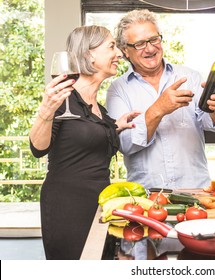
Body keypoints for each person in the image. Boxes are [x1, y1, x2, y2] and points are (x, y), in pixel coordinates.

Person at [29, 25, 140, 260]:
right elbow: (38, 148)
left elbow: (88, 142)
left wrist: (114, 127)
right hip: (68, 207)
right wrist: (46, 112)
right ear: (89, 54)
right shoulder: (62, 98)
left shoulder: (98, 109)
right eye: (111, 47)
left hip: (99, 205)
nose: (119, 53)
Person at [106, 9, 215, 190]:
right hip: (147, 196)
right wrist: (158, 109)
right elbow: (125, 143)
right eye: (140, 43)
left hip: (196, 191)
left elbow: (212, 124)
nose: (150, 48)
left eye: (154, 39)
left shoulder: (190, 76)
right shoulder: (118, 89)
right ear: (125, 50)